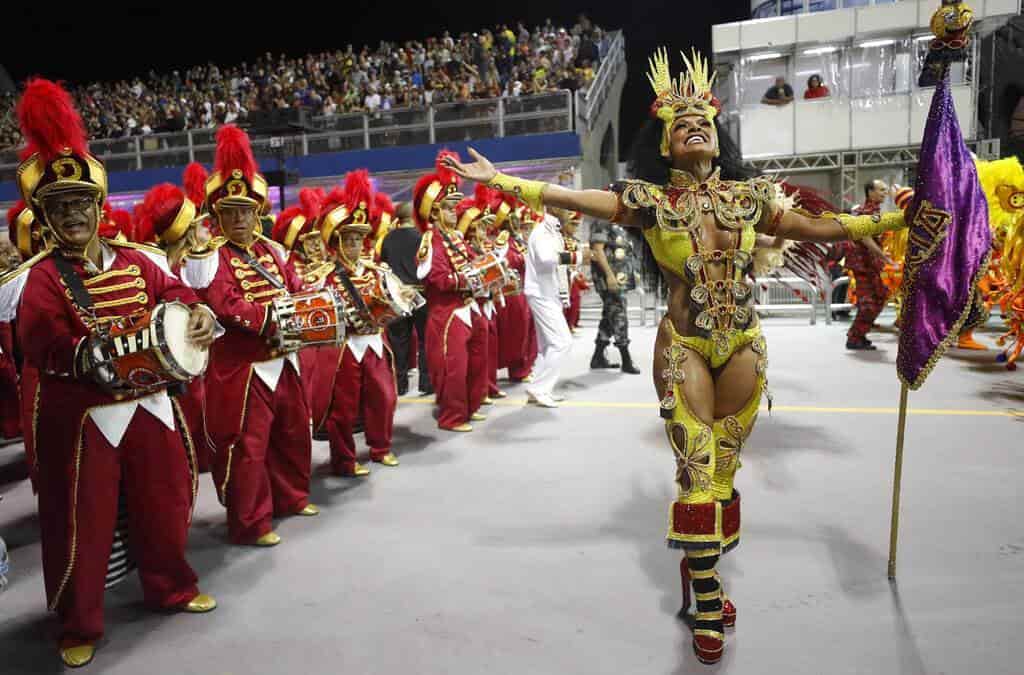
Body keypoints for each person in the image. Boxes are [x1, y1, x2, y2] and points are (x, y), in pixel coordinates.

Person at [443, 47, 914, 664]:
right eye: (679, 121)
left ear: (718, 140)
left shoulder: (750, 200)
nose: (694, 124)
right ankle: (711, 596)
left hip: (744, 343)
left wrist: (889, 223)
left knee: (723, 473)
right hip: (686, 344)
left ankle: (702, 572)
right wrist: (501, 181)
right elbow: (575, 198)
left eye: (704, 120)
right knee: (695, 466)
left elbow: (822, 227)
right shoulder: (650, 201)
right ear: (664, 147)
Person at [10, 79, 218, 668]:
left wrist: (198, 316)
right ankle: (79, 621)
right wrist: (94, 358)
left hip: (150, 405)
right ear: (45, 218)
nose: (72, 215)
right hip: (85, 417)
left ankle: (170, 585)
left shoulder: (140, 260)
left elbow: (179, 294)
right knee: (83, 520)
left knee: (164, 501)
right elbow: (43, 340)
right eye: (59, 208)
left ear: (99, 208)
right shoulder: (42, 278)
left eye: (80, 204)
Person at [179, 125, 318, 548]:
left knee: (293, 432)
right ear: (217, 215)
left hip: (284, 357)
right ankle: (250, 521)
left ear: (257, 212)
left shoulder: (274, 251)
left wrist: (308, 308)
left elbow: (296, 286)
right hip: (243, 369)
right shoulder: (210, 257)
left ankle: (291, 497)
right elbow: (225, 304)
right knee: (248, 447)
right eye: (230, 211)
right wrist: (274, 319)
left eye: (246, 210)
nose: (239, 219)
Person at [317, 171, 401, 476]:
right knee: (343, 407)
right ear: (337, 242)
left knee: (384, 396)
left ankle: (381, 447)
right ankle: (344, 459)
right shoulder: (323, 276)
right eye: (349, 239)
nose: (355, 245)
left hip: (375, 341)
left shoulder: (376, 271)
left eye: (358, 239)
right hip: (344, 347)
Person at [413, 151, 489, 432]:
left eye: (454, 208)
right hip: (447, 314)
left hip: (469, 307)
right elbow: (440, 279)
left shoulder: (457, 238)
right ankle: (452, 416)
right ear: (433, 212)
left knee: (478, 362)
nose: (453, 213)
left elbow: (475, 264)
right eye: (447, 208)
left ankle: (470, 406)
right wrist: (470, 278)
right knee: (453, 369)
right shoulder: (430, 241)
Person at [519, 206, 587, 408]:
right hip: (541, 293)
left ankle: (538, 388)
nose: (569, 211)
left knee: (547, 345)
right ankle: (540, 389)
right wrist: (577, 256)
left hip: (549, 292)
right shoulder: (542, 231)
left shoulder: (553, 230)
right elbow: (546, 259)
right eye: (565, 206)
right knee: (562, 342)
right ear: (556, 208)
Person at [382, 201, 432, 396]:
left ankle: (399, 383)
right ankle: (426, 382)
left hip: (397, 296)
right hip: (421, 295)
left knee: (398, 342)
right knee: (424, 340)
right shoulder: (421, 238)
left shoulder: (386, 239)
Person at [845, 180, 895, 350]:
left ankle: (859, 334)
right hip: (862, 265)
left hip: (872, 265)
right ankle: (854, 337)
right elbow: (865, 237)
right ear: (870, 192)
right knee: (868, 303)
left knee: (880, 297)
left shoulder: (875, 212)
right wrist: (883, 256)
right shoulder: (864, 213)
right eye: (881, 190)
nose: (884, 193)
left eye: (885, 190)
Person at [589, 217, 641, 373]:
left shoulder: (621, 222)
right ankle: (626, 359)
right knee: (619, 315)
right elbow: (597, 250)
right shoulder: (602, 221)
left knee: (610, 315)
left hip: (620, 276)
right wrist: (609, 276)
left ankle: (598, 357)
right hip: (609, 278)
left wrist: (633, 272)